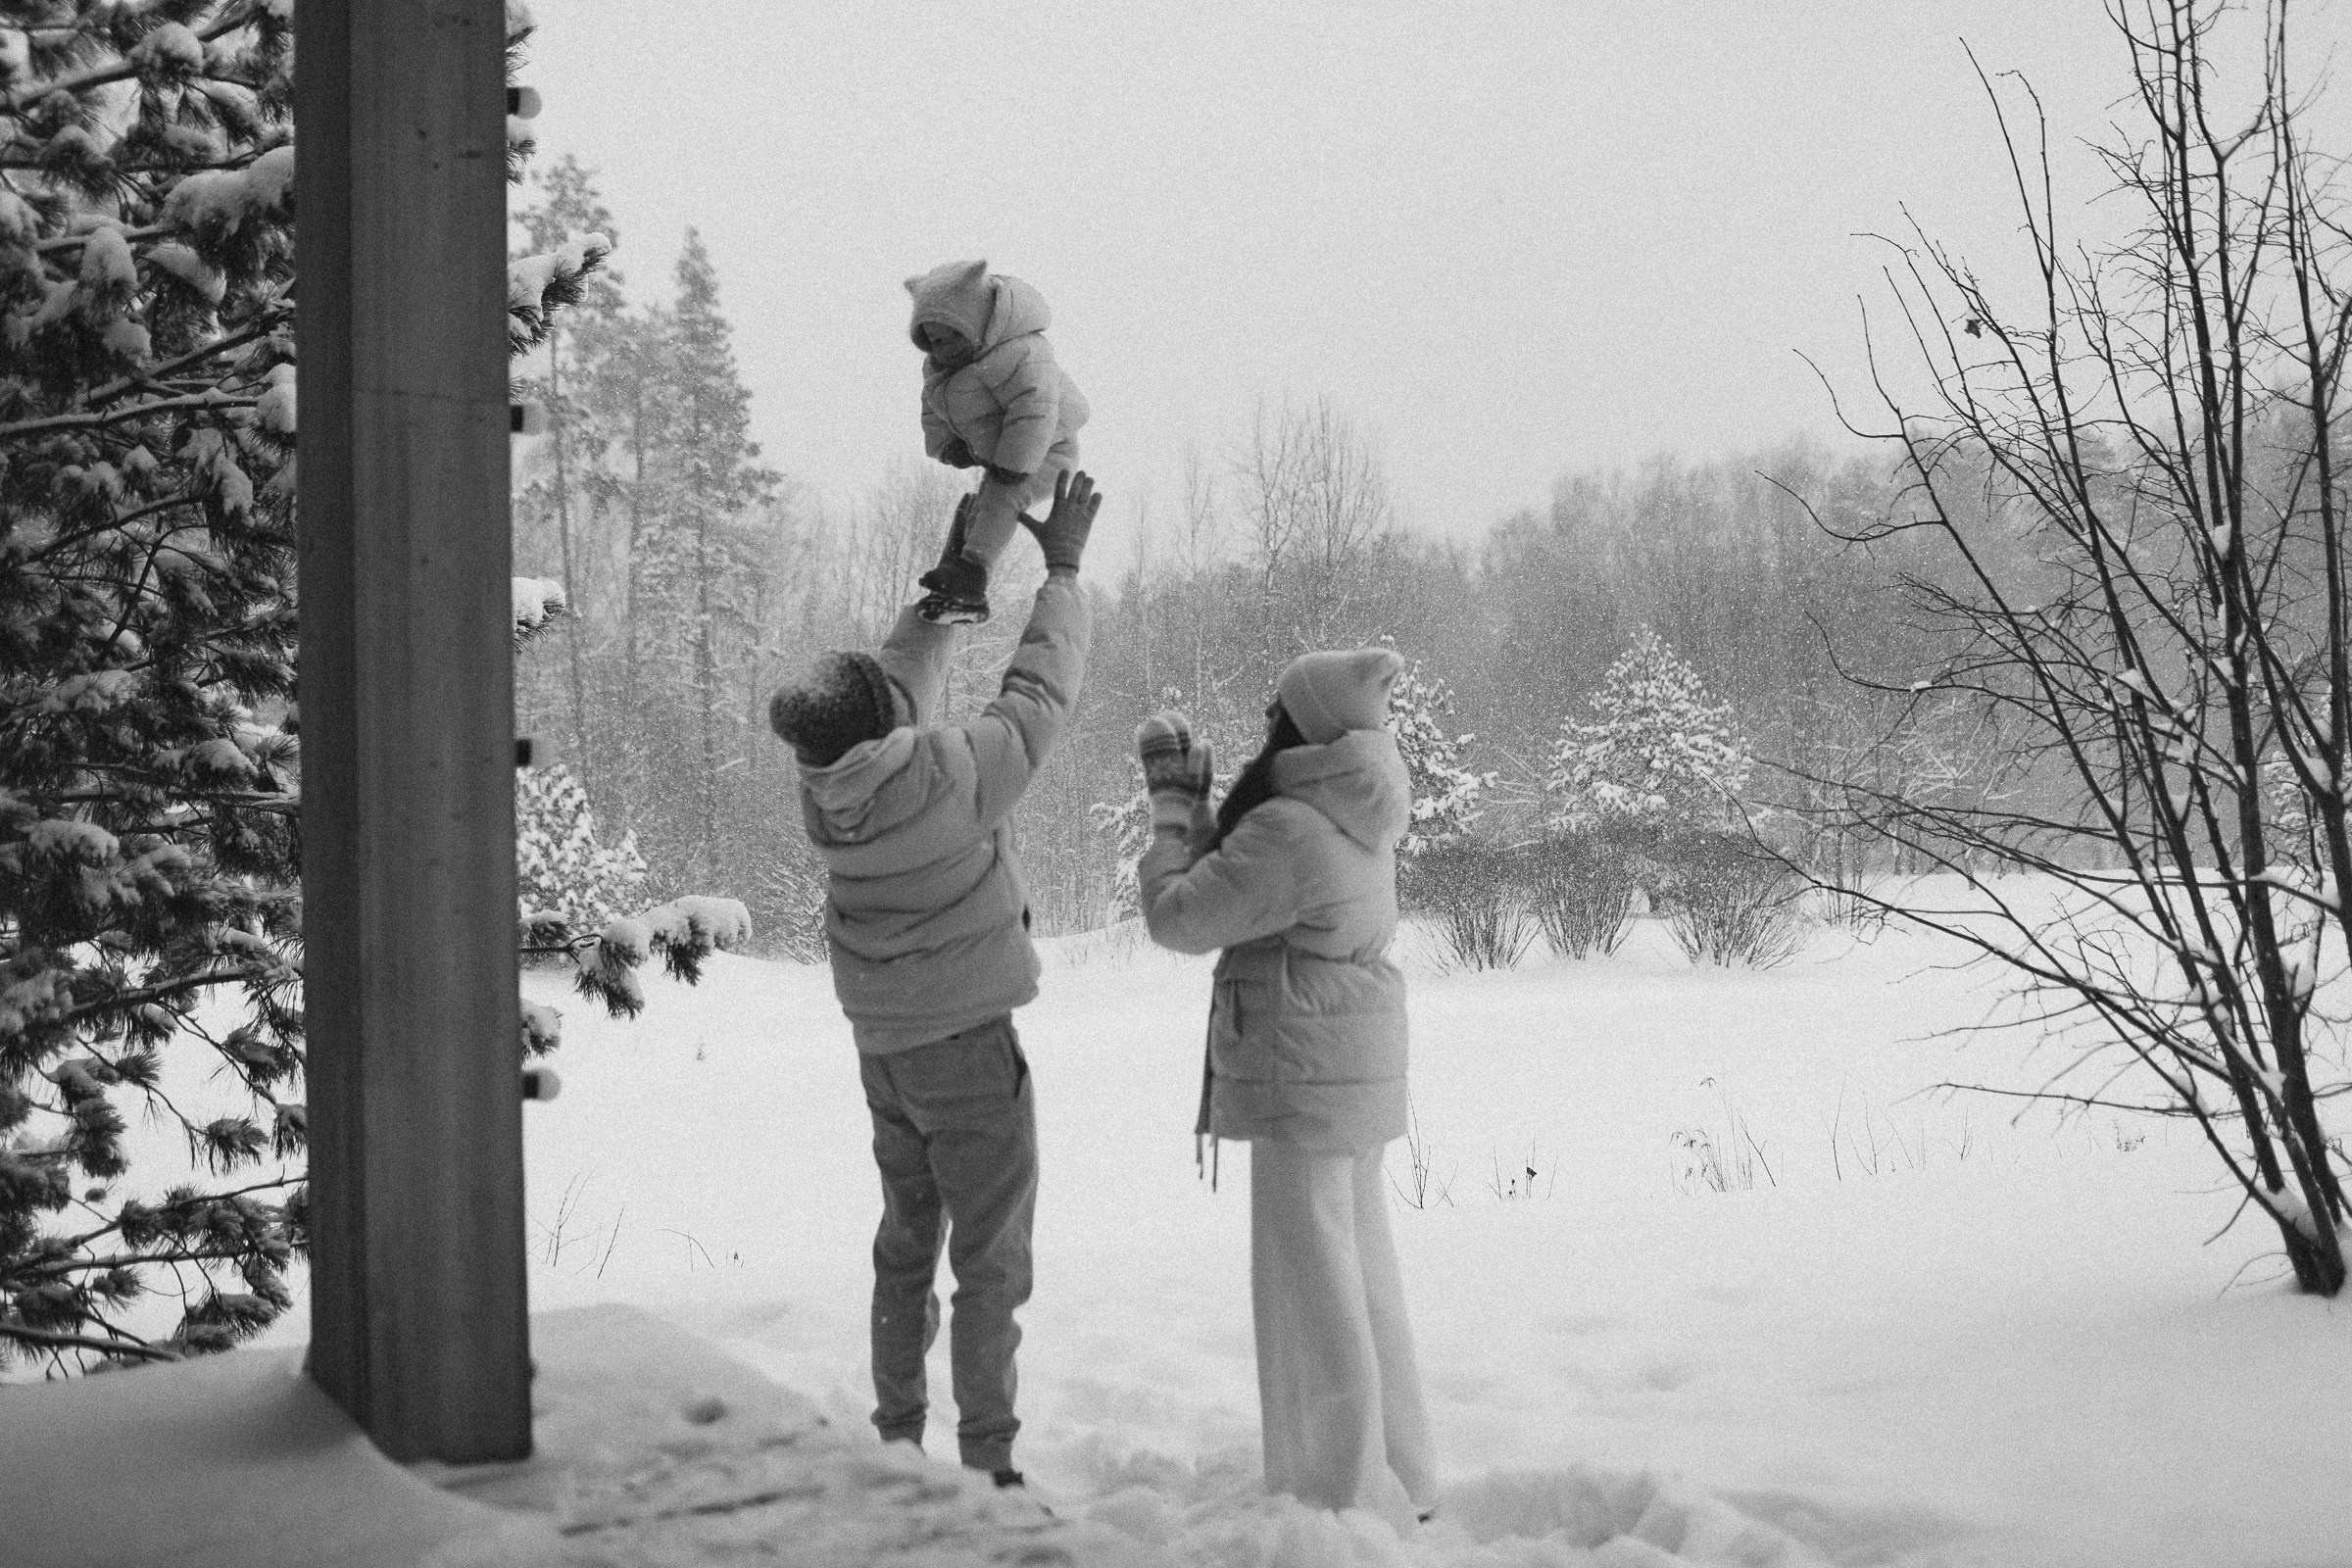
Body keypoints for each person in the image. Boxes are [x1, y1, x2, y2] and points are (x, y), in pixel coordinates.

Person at [766, 469, 1102, 1489]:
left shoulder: (827, 796)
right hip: (966, 1049)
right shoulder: (956, 775)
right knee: (991, 1257)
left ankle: (898, 1439)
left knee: (907, 1241)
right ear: (889, 722)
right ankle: (990, 1463)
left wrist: (945, 596)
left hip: (886, 1051)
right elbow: (1040, 691)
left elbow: (888, 683)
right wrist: (1065, 570)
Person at [1128, 649, 1438, 1527]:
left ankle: (1338, 1493)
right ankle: (1399, 1473)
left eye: (1277, 713)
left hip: (1302, 1069)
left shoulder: (1293, 828)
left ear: (1304, 726)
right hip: (1345, 1068)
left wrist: (1173, 815)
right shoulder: (1357, 808)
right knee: (1362, 1276)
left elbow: (1178, 917)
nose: (1268, 724)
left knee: (1314, 1288)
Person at [904, 258, 1090, 625]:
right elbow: (933, 409)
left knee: (1002, 496)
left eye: (954, 335)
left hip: (1049, 447)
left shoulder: (1022, 352)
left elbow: (1035, 406)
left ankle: (972, 576)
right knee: (981, 506)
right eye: (935, 340)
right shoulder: (940, 369)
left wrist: (1015, 463)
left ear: (979, 322)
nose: (945, 348)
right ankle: (957, 583)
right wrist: (946, 448)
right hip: (1002, 452)